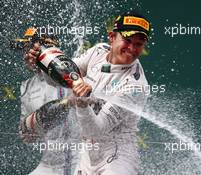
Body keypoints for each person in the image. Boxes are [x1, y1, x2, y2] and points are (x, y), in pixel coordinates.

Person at [24, 12, 151, 175]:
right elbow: (63, 78)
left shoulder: (135, 86)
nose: (132, 49)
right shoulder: (98, 51)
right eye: (127, 40)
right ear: (112, 37)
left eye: (139, 44)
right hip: (87, 154)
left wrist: (82, 103)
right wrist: (40, 66)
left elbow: (95, 131)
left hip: (118, 157)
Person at [19, 43, 79, 175]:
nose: (27, 56)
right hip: (49, 164)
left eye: (32, 50)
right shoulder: (27, 86)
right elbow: (26, 136)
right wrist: (36, 122)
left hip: (80, 160)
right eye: (26, 51)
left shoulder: (73, 72)